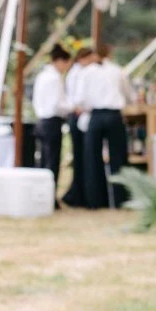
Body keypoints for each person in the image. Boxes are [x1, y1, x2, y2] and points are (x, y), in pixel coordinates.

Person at [81, 42, 135, 210]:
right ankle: (120, 200)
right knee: (118, 157)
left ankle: (95, 200)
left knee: (92, 158)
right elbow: (129, 95)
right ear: (109, 54)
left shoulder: (86, 73)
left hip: (95, 115)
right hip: (113, 115)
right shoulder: (117, 71)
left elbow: (81, 98)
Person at [31, 44, 71, 202]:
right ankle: (49, 198)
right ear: (60, 61)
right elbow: (57, 104)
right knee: (51, 162)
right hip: (52, 122)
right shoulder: (54, 78)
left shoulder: (42, 76)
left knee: (43, 162)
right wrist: (71, 107)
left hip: (41, 121)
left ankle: (41, 196)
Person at [61, 45, 95, 208]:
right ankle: (77, 193)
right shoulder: (77, 73)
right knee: (80, 155)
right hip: (78, 116)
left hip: (80, 115)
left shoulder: (79, 73)